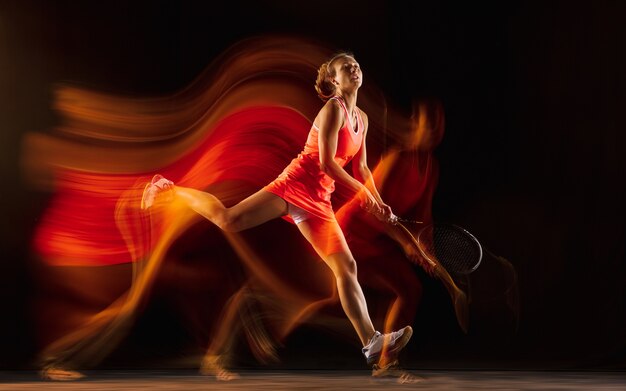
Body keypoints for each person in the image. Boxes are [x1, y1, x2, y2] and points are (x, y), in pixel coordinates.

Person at [141, 52, 413, 369]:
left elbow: (363, 168)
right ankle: (167, 188)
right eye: (345, 67)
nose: (353, 68)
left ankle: (371, 342)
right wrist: (364, 194)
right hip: (294, 184)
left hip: (319, 200)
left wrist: (378, 201)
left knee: (346, 267)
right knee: (229, 220)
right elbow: (326, 163)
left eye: (356, 64)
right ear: (335, 81)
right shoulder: (332, 111)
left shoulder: (362, 119)